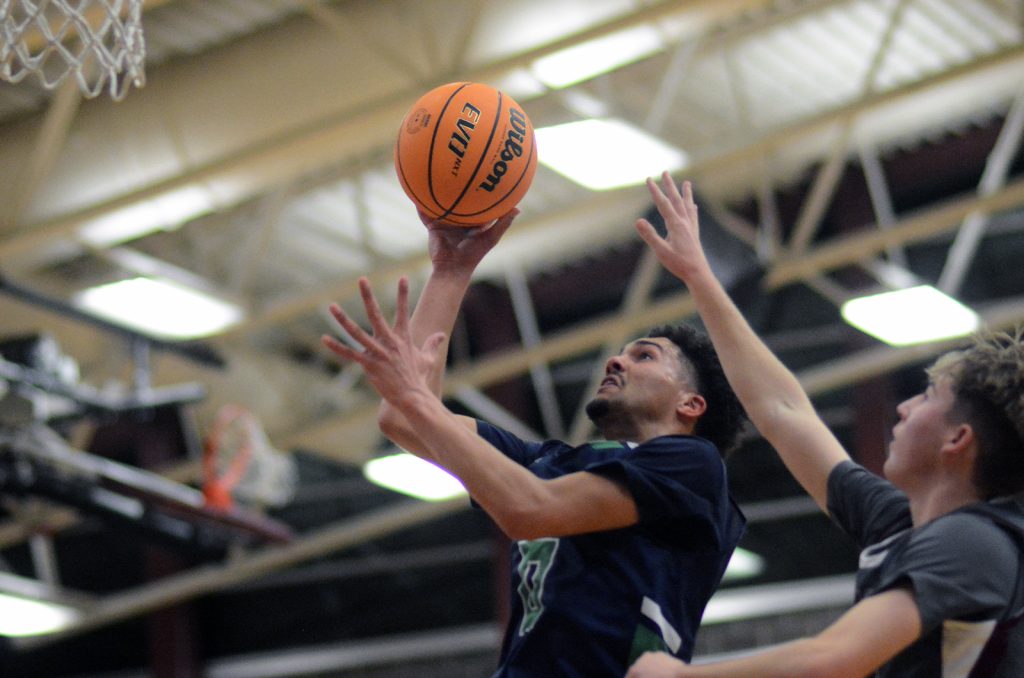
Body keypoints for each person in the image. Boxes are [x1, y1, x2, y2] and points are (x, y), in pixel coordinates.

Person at [627, 173, 1024, 677]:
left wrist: (682, 676)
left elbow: (833, 659)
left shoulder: (973, 543)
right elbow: (784, 412)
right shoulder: (902, 524)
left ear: (958, 439)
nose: (903, 408)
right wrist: (700, 277)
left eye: (926, 398)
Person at [321, 209, 747, 677]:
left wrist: (416, 398)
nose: (615, 361)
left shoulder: (693, 466)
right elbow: (404, 420)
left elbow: (530, 509)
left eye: (644, 355)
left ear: (691, 404)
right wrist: (451, 271)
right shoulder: (553, 462)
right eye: (623, 351)